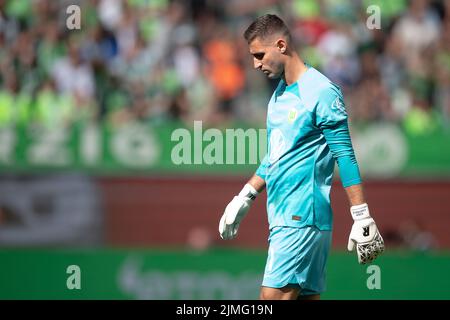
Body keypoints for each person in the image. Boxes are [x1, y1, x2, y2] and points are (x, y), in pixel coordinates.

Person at [218, 14, 385, 300]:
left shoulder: (321, 92)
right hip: (288, 219)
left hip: (300, 219)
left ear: (281, 45)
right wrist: (245, 195)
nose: (255, 64)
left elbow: (344, 155)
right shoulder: (279, 95)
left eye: (259, 55)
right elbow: (276, 155)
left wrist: (362, 216)